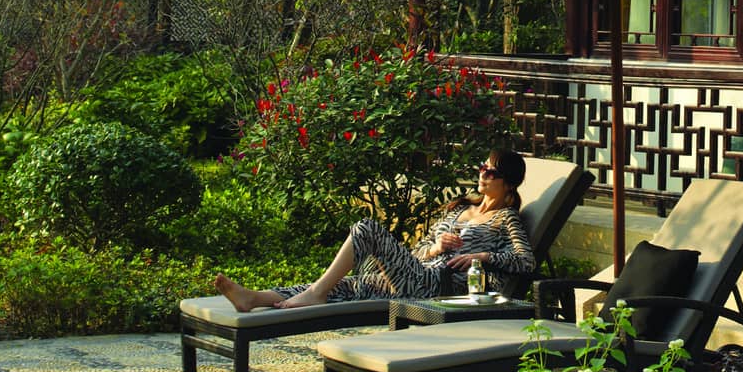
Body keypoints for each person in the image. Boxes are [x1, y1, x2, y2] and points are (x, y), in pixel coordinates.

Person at [213, 148, 533, 311]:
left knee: (366, 227)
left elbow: (525, 261)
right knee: (344, 286)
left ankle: (314, 294)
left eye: (491, 171)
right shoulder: (461, 209)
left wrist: (481, 255)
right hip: (415, 274)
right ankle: (254, 298)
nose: (483, 174)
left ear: (508, 181)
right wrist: (435, 248)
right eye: (482, 168)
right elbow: (417, 251)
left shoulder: (505, 219)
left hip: (438, 287)